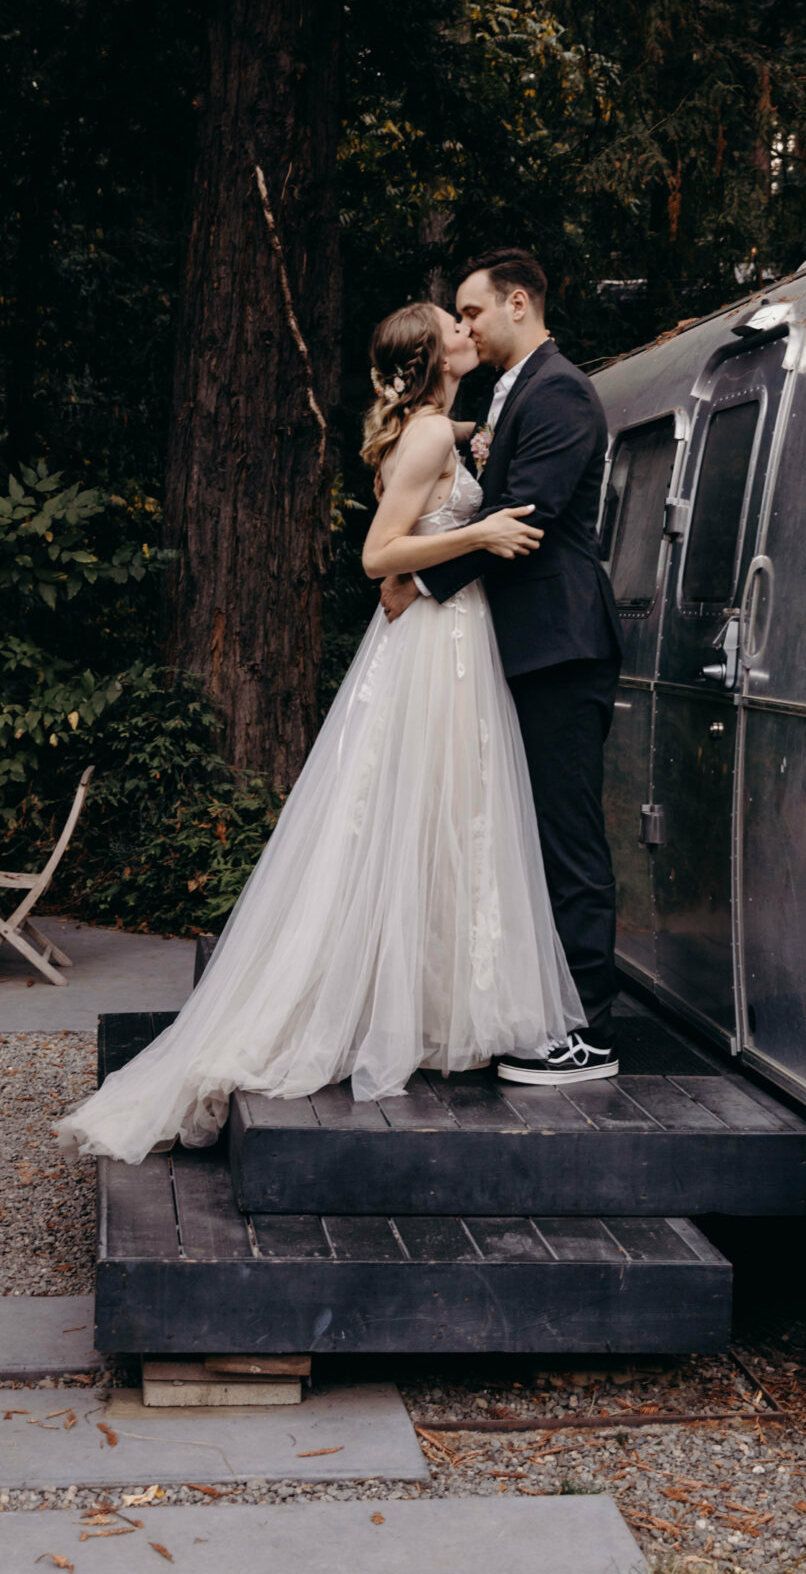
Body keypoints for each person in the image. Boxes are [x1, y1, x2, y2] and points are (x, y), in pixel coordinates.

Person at [55, 298, 583, 1165]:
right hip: (434, 646)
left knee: (447, 820)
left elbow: (460, 465)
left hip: (453, 637)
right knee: (426, 815)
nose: (467, 329)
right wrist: (482, 530)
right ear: (431, 353)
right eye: (453, 324)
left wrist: (481, 452)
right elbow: (378, 556)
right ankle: (393, 1013)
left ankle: (435, 1010)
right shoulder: (425, 436)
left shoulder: (439, 429)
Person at [382, 248, 623, 1085]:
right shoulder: (507, 392)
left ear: (517, 303)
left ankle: (586, 1031)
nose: (466, 326)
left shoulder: (559, 392)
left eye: (473, 312)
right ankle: (528, 1007)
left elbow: (526, 514)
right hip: (515, 646)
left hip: (560, 646)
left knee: (565, 837)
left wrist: (419, 580)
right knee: (518, 833)